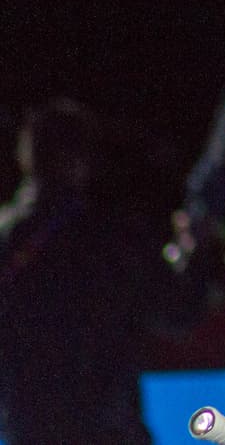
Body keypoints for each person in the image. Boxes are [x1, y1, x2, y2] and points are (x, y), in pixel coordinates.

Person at [0, 98, 160, 444]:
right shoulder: (112, 237)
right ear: (79, 158)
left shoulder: (7, 238)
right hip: (107, 427)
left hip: (29, 429)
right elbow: (175, 312)